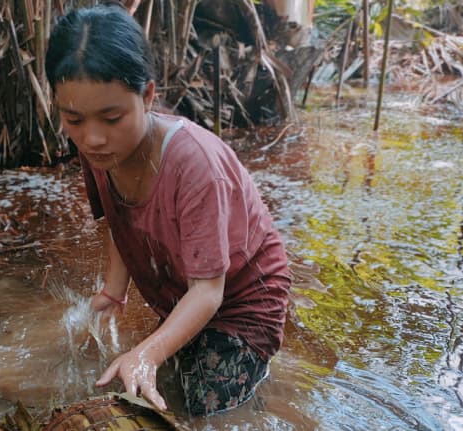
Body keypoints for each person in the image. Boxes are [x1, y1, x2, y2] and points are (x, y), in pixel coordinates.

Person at [45, 5, 291, 416]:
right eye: (73, 119)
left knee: (201, 408)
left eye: (111, 117)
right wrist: (113, 288)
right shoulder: (101, 150)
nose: (91, 138)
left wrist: (146, 353)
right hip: (186, 293)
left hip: (242, 298)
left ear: (147, 95)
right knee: (146, 394)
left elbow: (210, 292)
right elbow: (118, 219)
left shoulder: (195, 164)